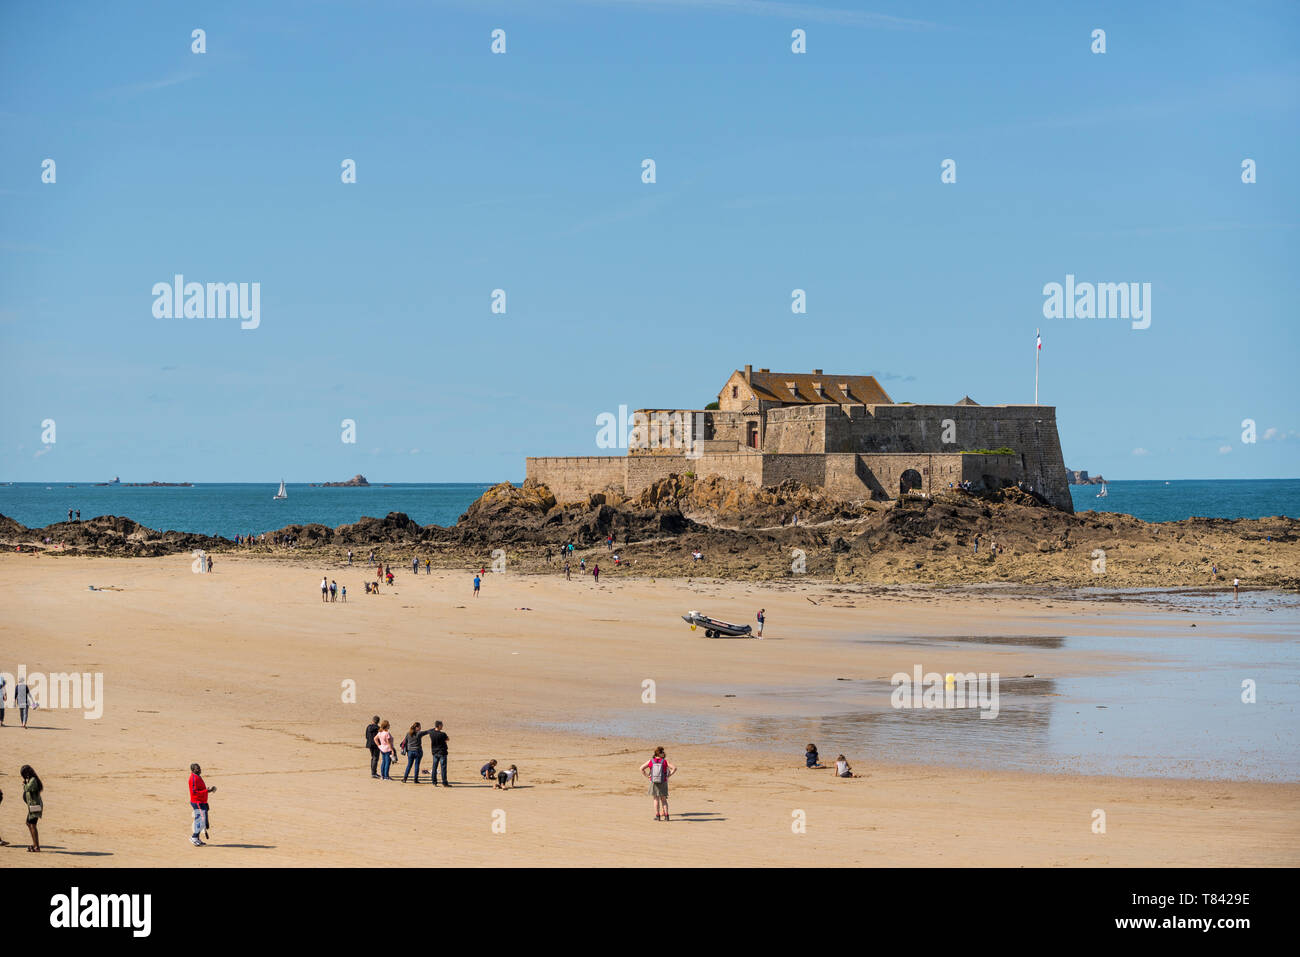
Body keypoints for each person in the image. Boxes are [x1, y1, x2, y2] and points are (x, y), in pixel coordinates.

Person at [640, 747, 676, 821]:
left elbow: (641, 768)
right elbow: (674, 768)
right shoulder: (665, 761)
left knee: (656, 799)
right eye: (662, 752)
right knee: (664, 800)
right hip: (663, 781)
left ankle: (658, 816)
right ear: (659, 753)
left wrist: (648, 776)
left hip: (654, 782)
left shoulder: (651, 761)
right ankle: (666, 816)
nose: (664, 753)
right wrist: (668, 775)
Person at [188, 762, 215, 846]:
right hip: (197, 802)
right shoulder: (193, 778)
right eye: (197, 768)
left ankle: (197, 838)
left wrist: (208, 791)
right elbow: (194, 792)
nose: (199, 770)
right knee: (200, 820)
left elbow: (200, 789)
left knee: (202, 820)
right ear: (193, 770)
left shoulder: (197, 777)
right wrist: (207, 791)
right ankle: (194, 837)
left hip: (202, 801)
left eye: (199, 768)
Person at [21, 765, 43, 852]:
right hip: (32, 807)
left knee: (32, 825)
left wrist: (24, 784)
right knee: (28, 823)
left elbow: (28, 788)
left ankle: (36, 847)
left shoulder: (33, 780)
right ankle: (35, 844)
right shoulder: (31, 779)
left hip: (35, 807)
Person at [427, 721, 450, 786]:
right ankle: (444, 782)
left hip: (435, 752)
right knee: (443, 768)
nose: (442, 726)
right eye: (441, 725)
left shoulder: (431, 733)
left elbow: (431, 730)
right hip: (442, 752)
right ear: (439, 725)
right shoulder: (442, 734)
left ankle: (434, 781)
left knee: (434, 767)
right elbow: (447, 739)